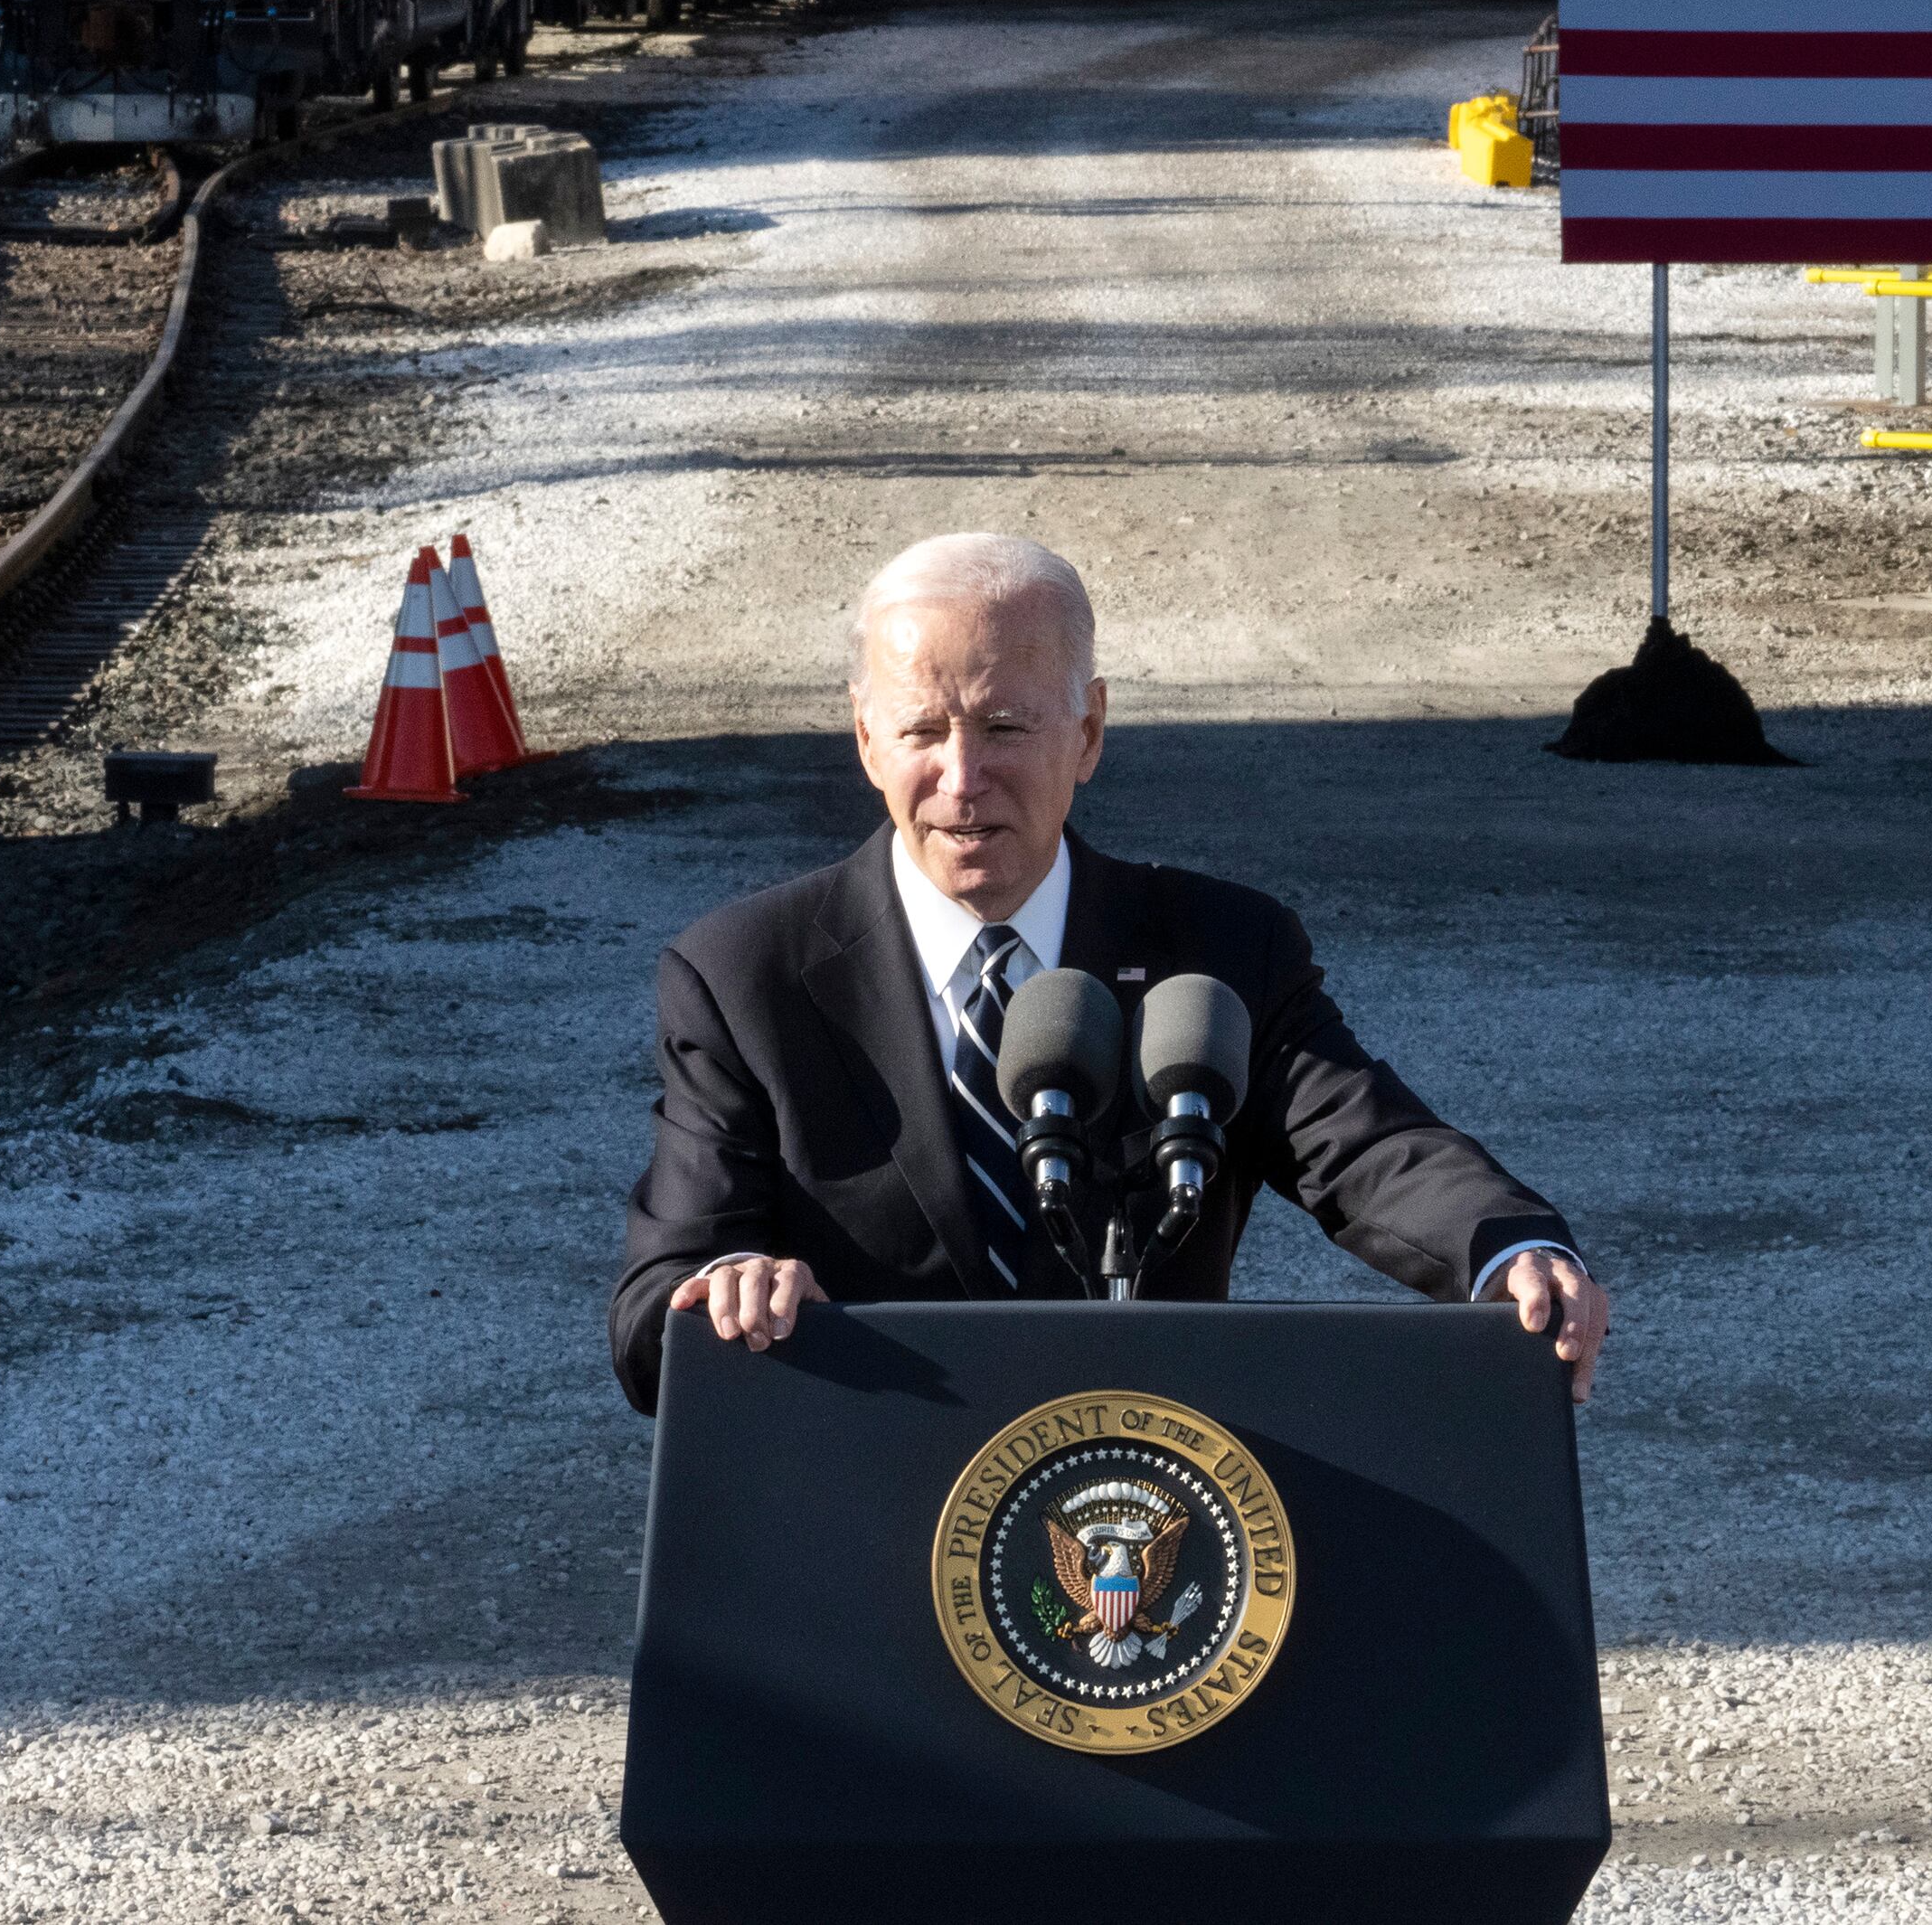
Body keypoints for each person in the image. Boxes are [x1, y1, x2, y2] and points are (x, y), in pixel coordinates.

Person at [609, 533, 1608, 1413]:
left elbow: (1364, 1147)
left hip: (1152, 1518)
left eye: (1004, 727)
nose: (962, 778)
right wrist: (724, 1289)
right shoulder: (745, 977)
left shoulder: (1218, 950)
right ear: (865, 737)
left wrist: (1508, 1248)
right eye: (921, 729)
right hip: (876, 1510)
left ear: (1087, 731)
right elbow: (660, 1303)